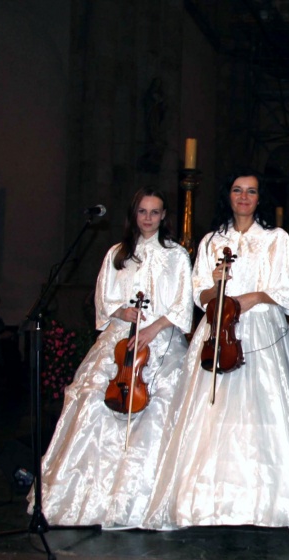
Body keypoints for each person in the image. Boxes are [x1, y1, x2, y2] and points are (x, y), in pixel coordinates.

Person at [144, 169, 289, 533]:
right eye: (238, 190)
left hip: (261, 328)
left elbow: (287, 290)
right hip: (219, 329)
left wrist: (251, 298)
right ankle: (209, 504)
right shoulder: (211, 241)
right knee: (212, 412)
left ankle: (270, 503)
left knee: (265, 410)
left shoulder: (276, 238)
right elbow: (199, 293)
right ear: (229, 195)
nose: (244, 197)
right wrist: (215, 287)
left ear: (260, 198)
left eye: (251, 191)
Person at [36, 187, 193, 528]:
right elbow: (102, 299)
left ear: (164, 216)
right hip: (120, 337)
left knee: (161, 407)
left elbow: (183, 304)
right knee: (95, 400)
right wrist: (122, 312)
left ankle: (146, 501)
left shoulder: (176, 255)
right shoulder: (117, 254)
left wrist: (152, 330)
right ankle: (93, 499)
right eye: (142, 211)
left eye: (155, 212)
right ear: (133, 214)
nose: (148, 218)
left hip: (160, 339)